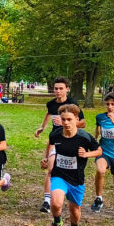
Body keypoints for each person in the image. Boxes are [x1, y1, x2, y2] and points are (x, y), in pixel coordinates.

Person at [44, 104, 101, 226]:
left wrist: (87, 154)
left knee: (74, 211)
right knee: (56, 203)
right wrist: (46, 159)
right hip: (59, 175)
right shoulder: (55, 134)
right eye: (63, 120)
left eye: (69, 119)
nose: (66, 123)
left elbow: (99, 151)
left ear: (76, 119)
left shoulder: (84, 137)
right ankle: (57, 222)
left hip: (76, 179)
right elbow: (51, 146)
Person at [34, 76, 86, 213]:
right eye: (56, 88)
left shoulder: (72, 104)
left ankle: (68, 192)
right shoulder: (51, 104)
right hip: (55, 139)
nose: (57, 91)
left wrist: (65, 122)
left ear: (67, 89)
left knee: (67, 169)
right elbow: (49, 113)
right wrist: (42, 127)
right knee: (51, 169)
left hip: (70, 140)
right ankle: (47, 201)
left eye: (61, 88)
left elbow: (83, 123)